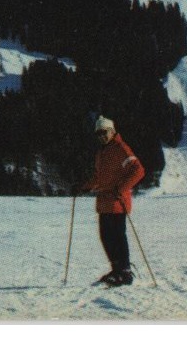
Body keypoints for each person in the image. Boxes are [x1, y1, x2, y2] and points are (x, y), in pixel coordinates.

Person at [79, 116, 145, 287]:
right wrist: (84, 187)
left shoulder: (120, 148)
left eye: (104, 132)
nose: (101, 136)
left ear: (112, 131)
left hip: (117, 202)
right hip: (104, 202)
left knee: (117, 237)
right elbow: (99, 177)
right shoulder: (102, 152)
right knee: (106, 237)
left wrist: (120, 189)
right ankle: (117, 269)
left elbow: (138, 170)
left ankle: (124, 272)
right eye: (98, 133)